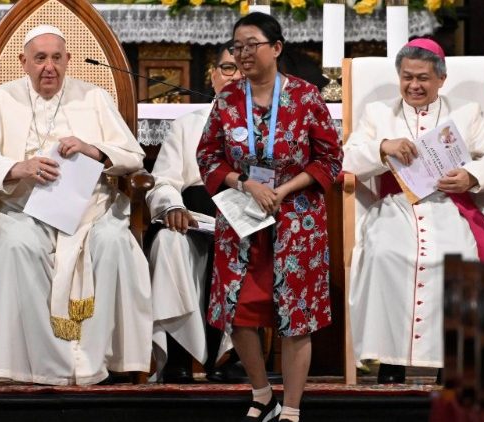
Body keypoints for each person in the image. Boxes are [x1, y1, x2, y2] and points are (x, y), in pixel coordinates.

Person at [0, 25, 152, 385]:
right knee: (17, 246)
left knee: (112, 243)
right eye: (40, 58)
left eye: (57, 58)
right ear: (24, 62)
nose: (50, 66)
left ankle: (97, 362)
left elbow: (133, 156)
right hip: (17, 209)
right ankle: (32, 365)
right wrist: (17, 168)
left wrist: (92, 149)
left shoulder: (94, 97)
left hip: (90, 211)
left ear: (68, 60)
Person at [344, 38, 484, 384]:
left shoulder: (465, 113)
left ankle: (447, 363)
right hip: (396, 208)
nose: (414, 86)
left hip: (447, 206)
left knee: (457, 259)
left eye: (423, 78)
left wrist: (470, 176)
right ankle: (389, 362)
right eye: (407, 77)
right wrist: (382, 148)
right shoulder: (379, 114)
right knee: (384, 253)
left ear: (441, 78)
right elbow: (346, 157)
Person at [197, 13, 342, 422]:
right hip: (243, 222)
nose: (243, 54)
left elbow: (330, 157)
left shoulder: (305, 96)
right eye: (237, 47)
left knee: (296, 319)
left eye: (251, 45)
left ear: (276, 48)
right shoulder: (227, 99)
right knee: (238, 312)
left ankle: (292, 408)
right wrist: (244, 183)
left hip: (296, 221)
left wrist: (282, 190)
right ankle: (263, 394)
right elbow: (208, 155)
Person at [145, 42, 244, 383]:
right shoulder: (187, 126)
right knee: (168, 244)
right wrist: (172, 205)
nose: (236, 76)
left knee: (243, 244)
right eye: (229, 68)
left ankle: (233, 354)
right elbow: (163, 181)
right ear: (214, 75)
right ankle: (177, 354)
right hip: (192, 220)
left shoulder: (268, 127)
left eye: (245, 68)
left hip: (242, 218)